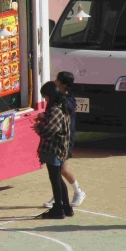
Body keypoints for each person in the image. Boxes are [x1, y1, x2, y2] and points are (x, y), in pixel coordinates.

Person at [43, 72, 86, 209]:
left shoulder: (67, 101)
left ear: (63, 84)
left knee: (62, 169)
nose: (55, 81)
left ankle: (78, 192)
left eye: (57, 80)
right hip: (59, 139)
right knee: (58, 170)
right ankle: (58, 195)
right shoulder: (57, 97)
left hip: (65, 139)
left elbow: (60, 119)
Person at [33, 81, 74, 219]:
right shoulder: (63, 106)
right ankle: (66, 207)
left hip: (54, 148)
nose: (45, 100)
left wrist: (38, 127)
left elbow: (49, 131)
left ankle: (58, 209)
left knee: (55, 179)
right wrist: (44, 118)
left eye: (45, 97)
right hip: (60, 148)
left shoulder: (55, 110)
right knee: (58, 178)